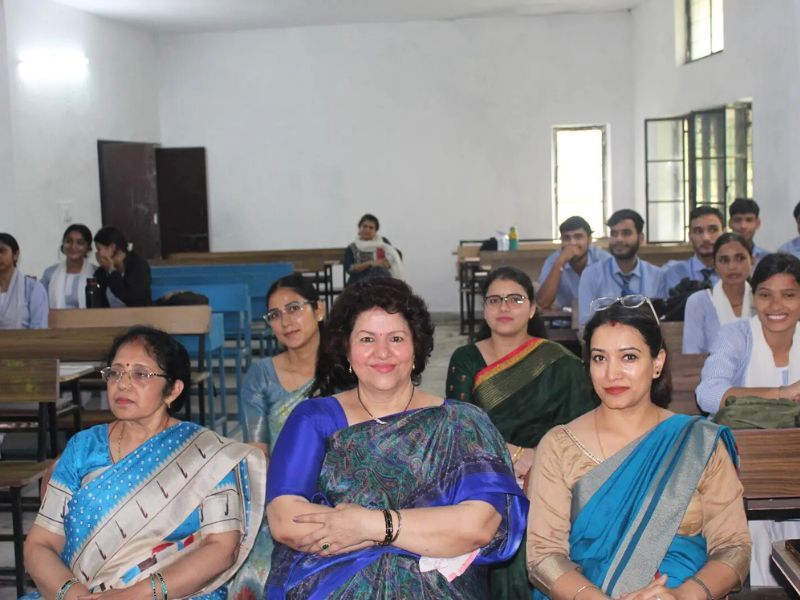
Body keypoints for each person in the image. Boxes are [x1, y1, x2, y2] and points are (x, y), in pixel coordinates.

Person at [265, 277, 527, 598]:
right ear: (347, 349)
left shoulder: (463, 422)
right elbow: (285, 520)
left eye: (396, 338)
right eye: (366, 339)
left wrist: (370, 526)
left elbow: (478, 525)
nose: (382, 352)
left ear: (416, 348)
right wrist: (423, 531)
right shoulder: (313, 419)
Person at [527, 296, 751, 600]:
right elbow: (543, 556)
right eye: (599, 358)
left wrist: (682, 596)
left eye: (629, 357)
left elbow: (734, 546)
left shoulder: (697, 442)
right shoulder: (559, 446)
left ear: (657, 362)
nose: (612, 374)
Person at [23, 326, 266, 599]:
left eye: (140, 374)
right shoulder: (83, 447)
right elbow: (40, 544)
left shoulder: (206, 454)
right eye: (115, 373)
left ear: (172, 390)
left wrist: (133, 595)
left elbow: (222, 549)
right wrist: (73, 595)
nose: (123, 384)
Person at [446, 266, 595, 600]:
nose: (504, 307)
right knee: (502, 538)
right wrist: (514, 455)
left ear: (532, 308)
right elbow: (458, 429)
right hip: (485, 475)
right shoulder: (466, 358)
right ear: (484, 309)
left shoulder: (561, 362)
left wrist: (541, 464)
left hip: (552, 475)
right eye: (494, 300)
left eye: (515, 299)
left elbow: (580, 433)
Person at [695, 252, 800, 585]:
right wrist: (784, 394)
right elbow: (708, 394)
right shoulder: (737, 335)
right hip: (747, 472)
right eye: (765, 295)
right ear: (754, 298)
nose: (776, 306)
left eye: (789, 295)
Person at [227, 273, 324, 599]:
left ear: (319, 310)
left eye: (294, 308)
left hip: (344, 492)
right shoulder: (261, 376)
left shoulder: (346, 368)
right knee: (255, 575)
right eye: (275, 314)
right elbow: (259, 456)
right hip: (282, 494)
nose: (286, 321)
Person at [577, 209, 666, 327]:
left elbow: (661, 323)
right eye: (614, 233)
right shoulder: (591, 275)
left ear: (640, 238)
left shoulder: (657, 276)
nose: (619, 239)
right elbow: (585, 325)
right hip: (604, 338)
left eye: (626, 233)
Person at [682, 232, 753, 354]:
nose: (732, 266)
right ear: (715, 265)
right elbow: (691, 355)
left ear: (752, 261)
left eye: (740, 258)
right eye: (724, 260)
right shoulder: (698, 302)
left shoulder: (762, 298)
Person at [537, 216, 610, 310]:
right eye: (566, 238)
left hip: (599, 315)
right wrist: (560, 263)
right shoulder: (554, 260)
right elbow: (542, 303)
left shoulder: (603, 260)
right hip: (564, 317)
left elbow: (613, 300)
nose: (572, 243)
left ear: (589, 240)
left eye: (578, 237)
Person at [661, 205, 723, 294]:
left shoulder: (734, 272)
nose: (706, 238)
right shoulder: (674, 273)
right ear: (690, 236)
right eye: (698, 231)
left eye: (713, 230)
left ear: (723, 233)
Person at [41, 224, 97, 309]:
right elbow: (40, 304)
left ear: (88, 247)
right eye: (69, 241)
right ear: (63, 244)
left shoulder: (96, 274)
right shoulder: (50, 274)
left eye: (80, 243)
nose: (73, 246)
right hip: (55, 318)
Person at [93, 226, 152, 307]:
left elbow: (132, 297)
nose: (97, 254)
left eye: (99, 249)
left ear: (112, 247)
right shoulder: (101, 272)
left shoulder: (138, 266)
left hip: (137, 313)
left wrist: (112, 271)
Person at [0, 232, 47, 329]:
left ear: (16, 255)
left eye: (2, 251)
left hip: (26, 339)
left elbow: (39, 329)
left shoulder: (32, 288)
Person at [343, 214, 404, 286]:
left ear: (375, 231)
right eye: (364, 226)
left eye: (371, 228)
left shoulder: (383, 243)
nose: (367, 230)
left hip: (382, 277)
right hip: (359, 281)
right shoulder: (352, 247)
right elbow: (349, 269)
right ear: (359, 228)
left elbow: (393, 259)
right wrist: (369, 263)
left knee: (379, 271)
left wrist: (386, 263)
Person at [729, 198, 770, 265]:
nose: (743, 226)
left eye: (749, 220)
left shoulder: (766, 259)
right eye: (738, 220)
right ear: (730, 223)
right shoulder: (721, 257)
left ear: (757, 224)